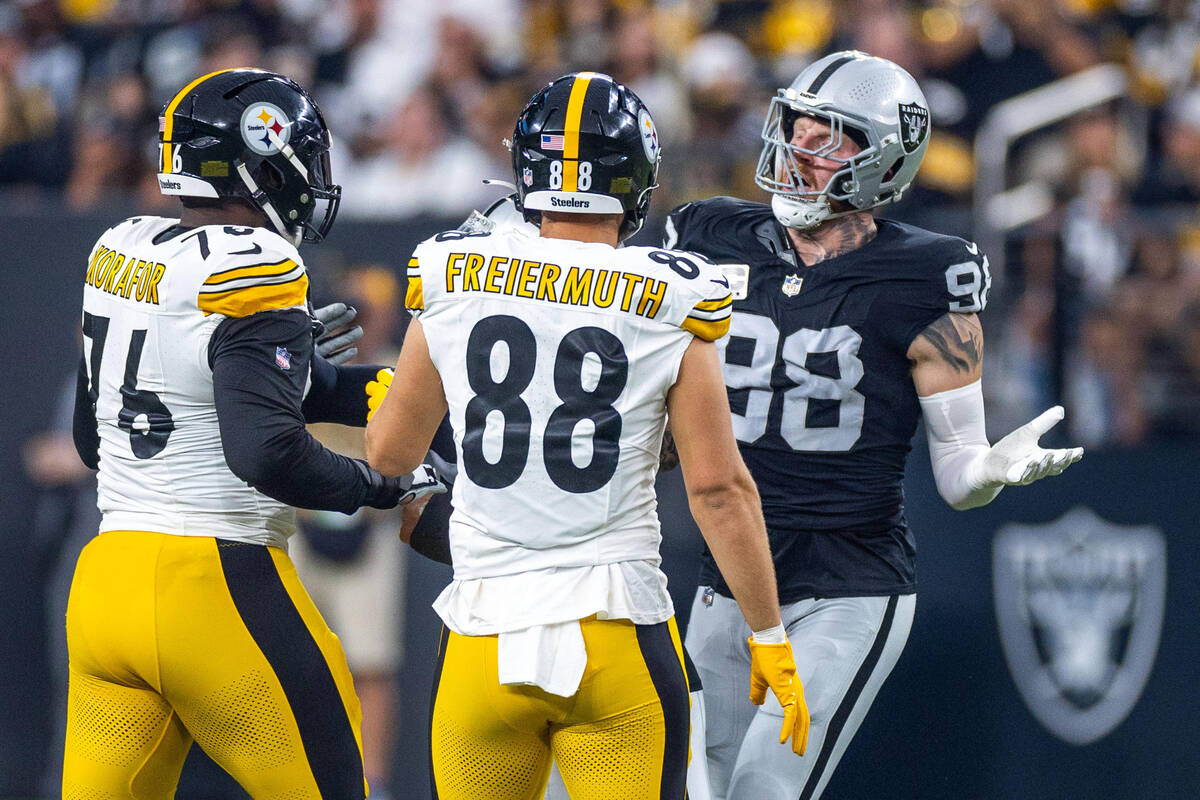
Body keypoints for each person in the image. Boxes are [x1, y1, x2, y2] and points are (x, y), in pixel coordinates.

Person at [365, 72, 809, 800]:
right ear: (636, 180)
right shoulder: (673, 293)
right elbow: (719, 490)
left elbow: (388, 458)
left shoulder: (454, 268)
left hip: (482, 636)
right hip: (614, 629)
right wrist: (768, 637)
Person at [664, 51, 1085, 800]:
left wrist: (985, 470)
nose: (798, 148)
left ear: (884, 161)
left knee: (763, 787)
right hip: (728, 575)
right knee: (702, 787)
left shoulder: (929, 274)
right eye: (796, 126)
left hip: (847, 583)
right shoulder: (709, 235)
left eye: (829, 139)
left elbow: (957, 473)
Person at [65, 68, 443, 799]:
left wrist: (315, 383)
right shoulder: (258, 261)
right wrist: (381, 484)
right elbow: (264, 449)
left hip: (107, 586)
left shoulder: (123, 245)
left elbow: (96, 441)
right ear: (267, 160)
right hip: (215, 583)